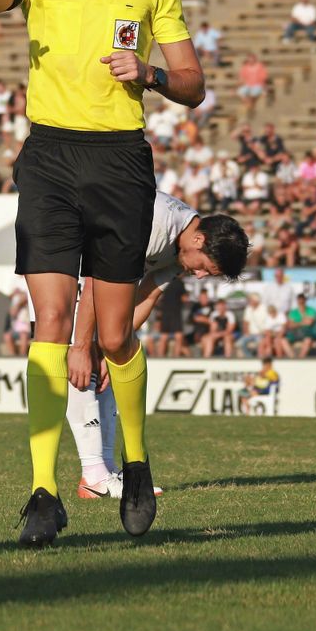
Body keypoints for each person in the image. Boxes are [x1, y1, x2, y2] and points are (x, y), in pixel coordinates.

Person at [0, 0, 204, 546]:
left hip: (120, 162)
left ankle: (136, 464)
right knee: (52, 321)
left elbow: (192, 82)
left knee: (114, 335)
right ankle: (43, 492)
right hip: (50, 160)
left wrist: (149, 72)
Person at [65, 190, 249, 498]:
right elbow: (96, 277)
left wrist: (112, 348)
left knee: (110, 361)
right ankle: (93, 475)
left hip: (93, 274)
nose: (199, 276)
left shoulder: (182, 248)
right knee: (80, 364)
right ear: (199, 240)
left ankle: (104, 472)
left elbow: (147, 294)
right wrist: (83, 346)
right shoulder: (155, 227)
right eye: (205, 267)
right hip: (68, 263)